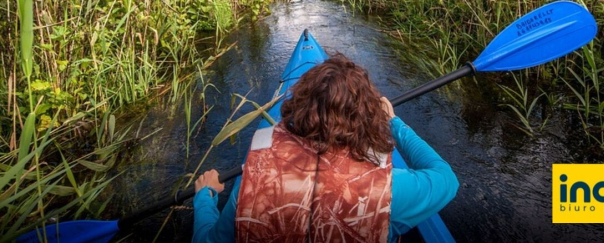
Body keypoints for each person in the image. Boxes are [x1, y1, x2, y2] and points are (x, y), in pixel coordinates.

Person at [192, 54, 459, 243]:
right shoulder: (390, 191)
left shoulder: (252, 185)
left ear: (299, 110)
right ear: (367, 119)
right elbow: (446, 177)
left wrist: (205, 197)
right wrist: (394, 123)